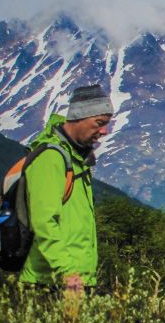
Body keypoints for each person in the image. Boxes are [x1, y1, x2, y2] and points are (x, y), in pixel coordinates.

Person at [20, 85, 113, 293]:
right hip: (51, 281)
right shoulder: (50, 157)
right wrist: (67, 271)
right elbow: (44, 221)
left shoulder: (77, 159)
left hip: (74, 281)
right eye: (100, 123)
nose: (104, 131)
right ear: (79, 117)